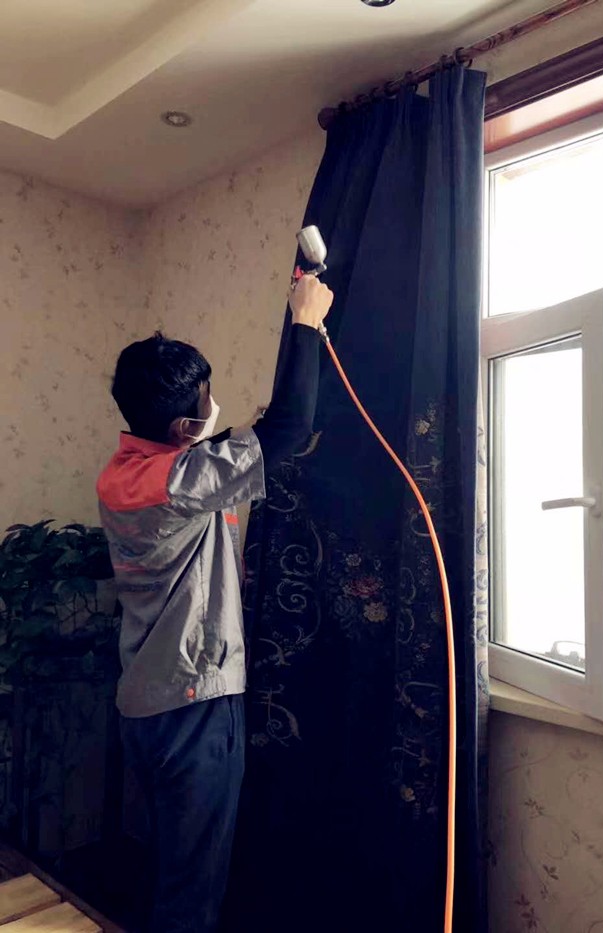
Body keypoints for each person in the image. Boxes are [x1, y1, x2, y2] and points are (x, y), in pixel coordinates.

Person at [96, 274, 333, 932]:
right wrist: (305, 321)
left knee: (162, 865)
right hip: (194, 703)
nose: (212, 405)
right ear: (183, 426)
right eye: (204, 401)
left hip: (142, 703)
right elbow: (293, 426)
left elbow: (200, 460)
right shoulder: (183, 479)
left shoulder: (124, 471)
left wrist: (236, 435)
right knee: (192, 889)